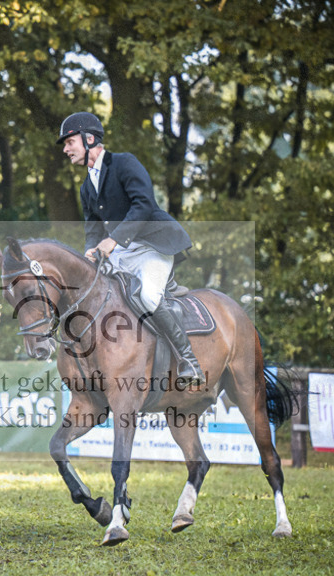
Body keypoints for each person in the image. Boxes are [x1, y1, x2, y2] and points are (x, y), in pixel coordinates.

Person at [57, 111, 205, 386]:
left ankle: (189, 360)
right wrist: (90, 250)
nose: (66, 150)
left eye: (69, 142)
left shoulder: (124, 163)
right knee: (92, 294)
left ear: (90, 139)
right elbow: (93, 228)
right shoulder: (87, 187)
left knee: (148, 297)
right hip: (121, 254)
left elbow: (143, 204)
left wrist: (113, 239)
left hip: (152, 247)